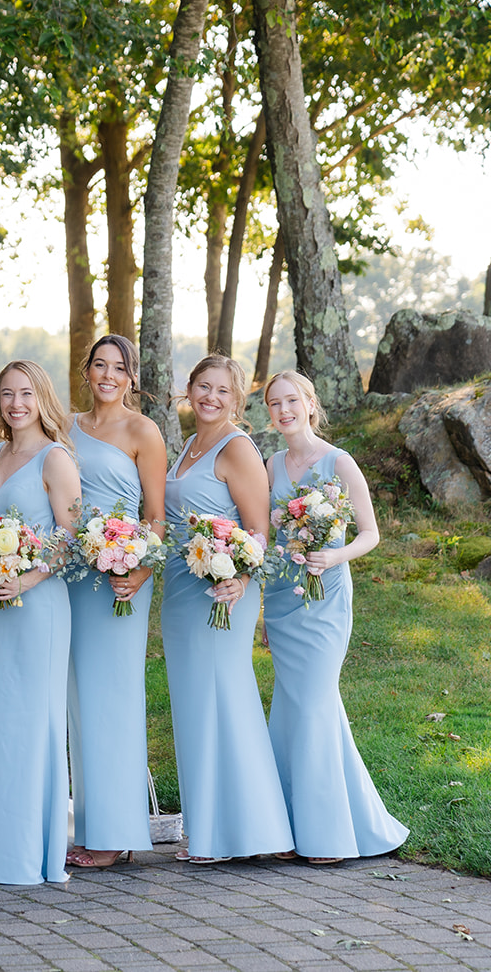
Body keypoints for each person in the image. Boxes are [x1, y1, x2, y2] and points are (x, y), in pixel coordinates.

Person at [262, 370, 408, 864]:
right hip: (283, 599)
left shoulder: (339, 462)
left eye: (292, 401)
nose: (284, 411)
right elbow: (264, 531)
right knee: (290, 709)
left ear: (310, 402)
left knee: (314, 706)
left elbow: (370, 535)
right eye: (274, 404)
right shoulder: (271, 464)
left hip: (325, 602)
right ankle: (288, 828)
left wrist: (334, 555)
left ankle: (328, 836)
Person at [161, 355, 293, 863]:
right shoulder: (189, 447)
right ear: (188, 390)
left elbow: (259, 530)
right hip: (182, 589)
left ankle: (246, 832)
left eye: (222, 390)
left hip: (223, 592)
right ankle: (209, 826)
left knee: (226, 699)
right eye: (202, 387)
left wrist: (237, 577)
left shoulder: (237, 448)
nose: (210, 397)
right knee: (195, 705)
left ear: (236, 399)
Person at [0, 359, 82, 885]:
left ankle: (33, 855)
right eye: (7, 395)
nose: (16, 404)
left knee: (32, 723)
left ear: (42, 398)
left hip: (36, 605)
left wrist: (28, 579)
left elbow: (71, 538)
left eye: (26, 394)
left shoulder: (56, 458)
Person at [65, 336, 167, 870]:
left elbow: (156, 515)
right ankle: (93, 823)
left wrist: (141, 567)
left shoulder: (142, 431)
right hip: (74, 575)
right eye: (99, 365)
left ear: (132, 378)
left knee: (114, 698)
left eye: (119, 368)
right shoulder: (66, 426)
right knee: (79, 702)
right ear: (87, 370)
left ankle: (118, 831)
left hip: (124, 579)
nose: (108, 375)